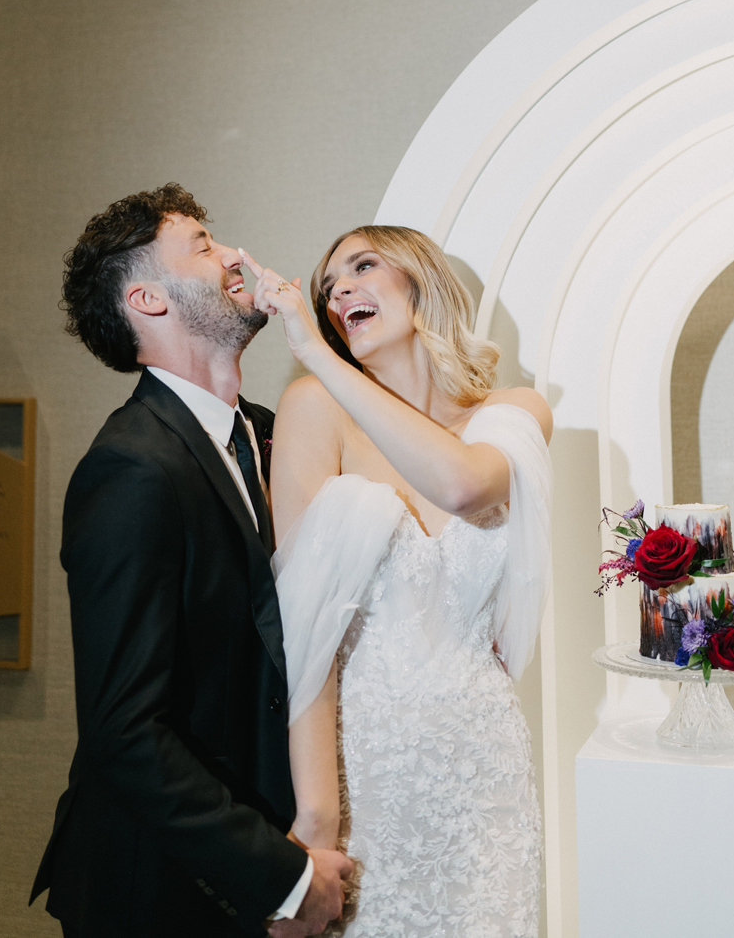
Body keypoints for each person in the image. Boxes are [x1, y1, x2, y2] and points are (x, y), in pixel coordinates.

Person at [30, 184, 351, 938]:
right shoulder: (129, 469)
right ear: (148, 299)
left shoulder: (275, 436)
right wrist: (282, 875)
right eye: (203, 245)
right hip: (163, 891)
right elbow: (125, 731)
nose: (236, 255)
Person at [241, 226, 554, 938]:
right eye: (328, 288)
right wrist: (316, 822)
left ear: (421, 282)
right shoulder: (313, 409)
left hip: (485, 776)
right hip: (365, 773)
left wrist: (317, 353)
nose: (339, 290)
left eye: (363, 266)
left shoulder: (514, 413)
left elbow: (462, 486)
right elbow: (305, 637)